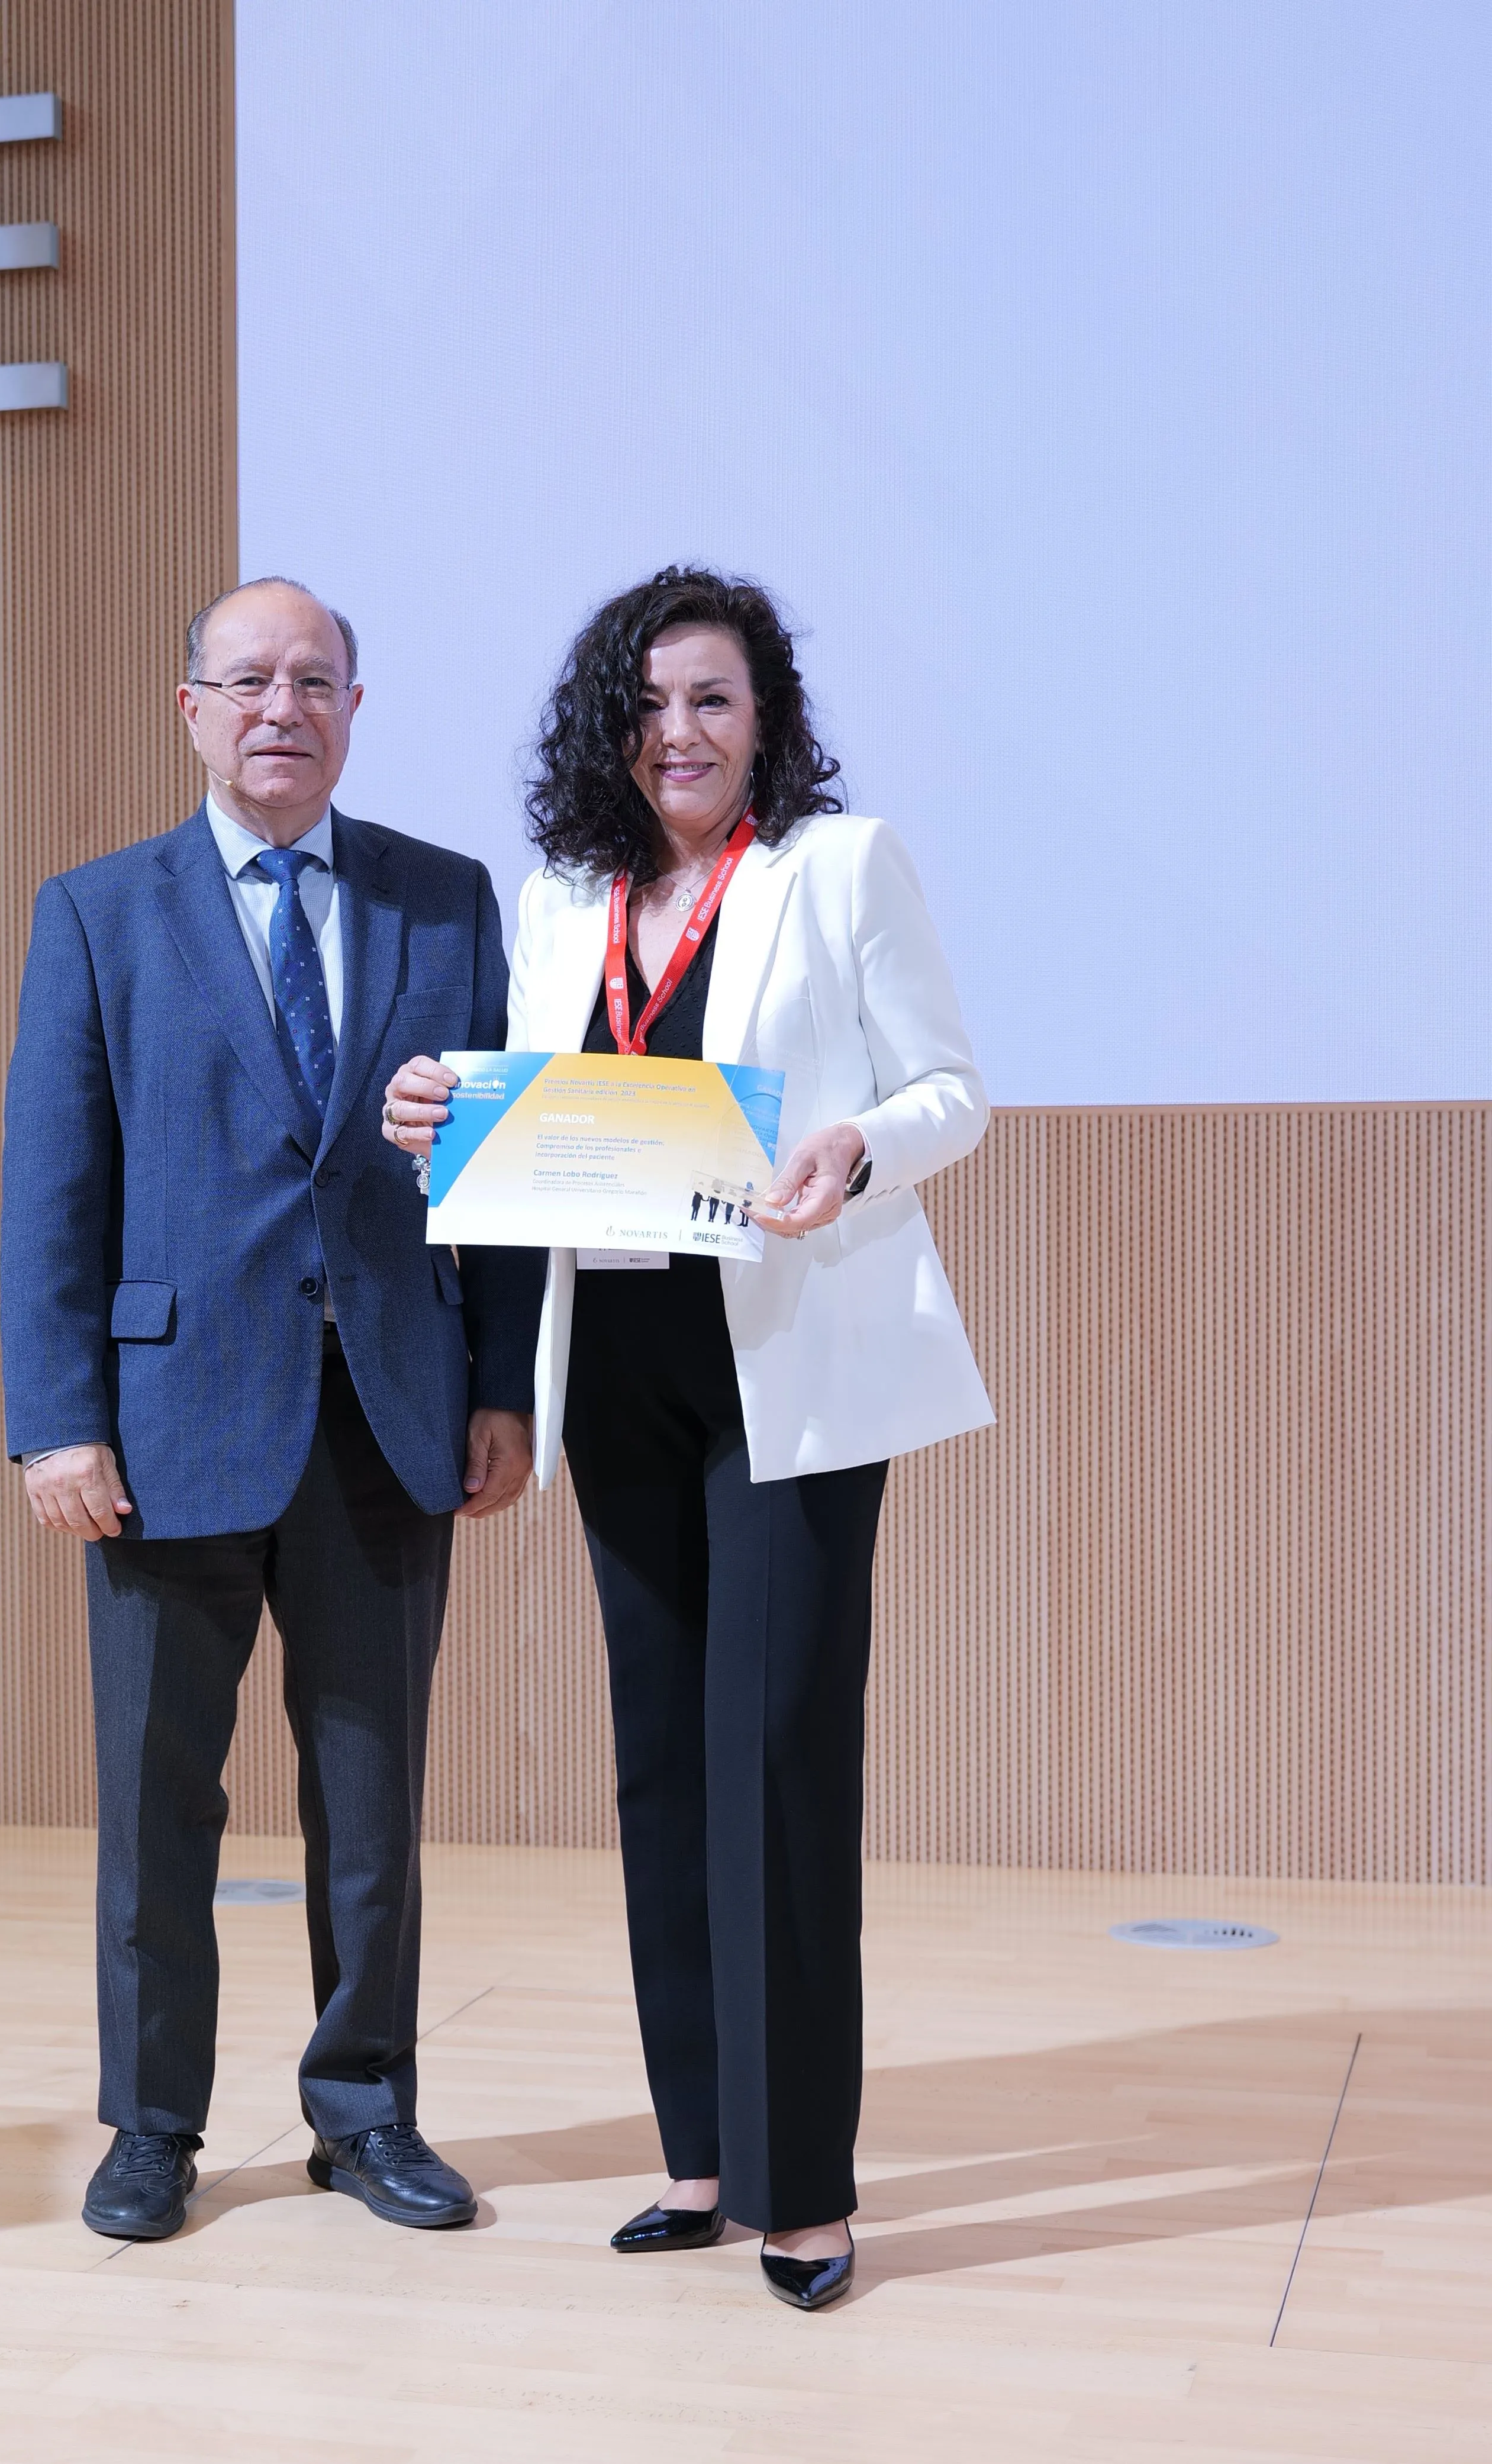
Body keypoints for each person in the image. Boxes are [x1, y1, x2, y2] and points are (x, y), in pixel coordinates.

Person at [381, 568, 991, 2310]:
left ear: (767, 718)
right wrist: (442, 1103)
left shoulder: (838, 868)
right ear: (608, 726)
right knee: (659, 1753)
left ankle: (808, 2192)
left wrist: (857, 1148)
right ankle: (705, 2155)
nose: (681, 734)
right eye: (651, 705)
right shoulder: (563, 895)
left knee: (779, 1750)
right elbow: (531, 1107)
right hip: (625, 1352)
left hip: (791, 1347)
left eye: (714, 701)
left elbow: (953, 1087)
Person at [1, 576, 544, 2243]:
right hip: (167, 1431)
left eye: (315, 681)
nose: (280, 709)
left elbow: (498, 1174)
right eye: (247, 681)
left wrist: (504, 1384)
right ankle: (153, 2124)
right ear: (190, 709)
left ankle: (363, 2109)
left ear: (357, 712)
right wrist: (55, 1421)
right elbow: (51, 1191)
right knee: (159, 1794)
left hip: (392, 1407)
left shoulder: (443, 904)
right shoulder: (100, 914)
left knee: (371, 1792)